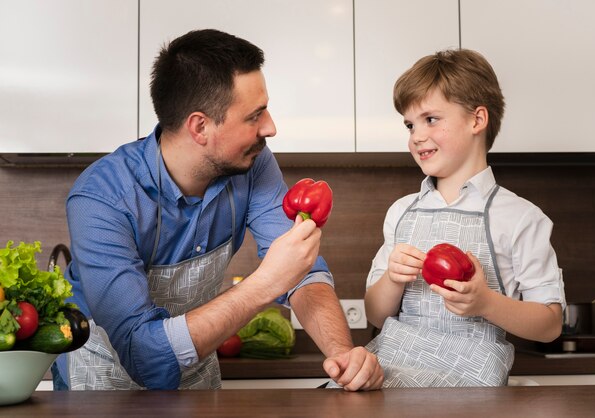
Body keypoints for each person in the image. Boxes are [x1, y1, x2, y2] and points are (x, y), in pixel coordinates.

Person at [52, 29, 383, 391]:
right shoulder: (101, 198)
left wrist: (343, 355)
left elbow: (301, 272)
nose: (270, 127)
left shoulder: (251, 164)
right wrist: (266, 282)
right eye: (254, 116)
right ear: (200, 127)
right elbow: (143, 355)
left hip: (196, 373)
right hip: (105, 378)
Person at [359, 49, 565, 387]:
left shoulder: (521, 218)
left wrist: (485, 302)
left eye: (430, 119)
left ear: (477, 120)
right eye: (410, 124)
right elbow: (375, 314)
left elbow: (549, 325)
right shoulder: (401, 212)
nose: (416, 136)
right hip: (392, 372)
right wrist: (393, 280)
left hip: (473, 383)